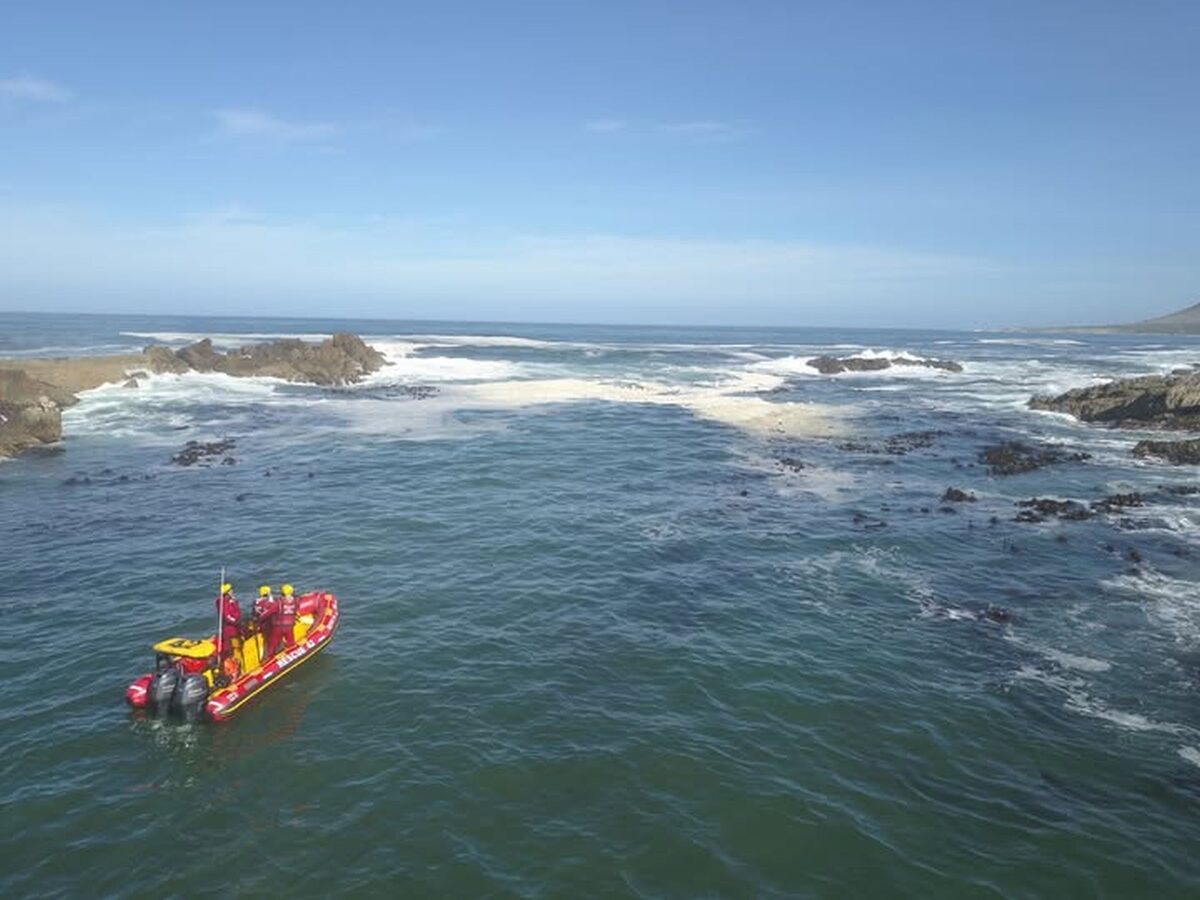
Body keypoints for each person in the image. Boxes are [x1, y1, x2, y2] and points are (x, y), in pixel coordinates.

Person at [216, 582, 242, 678]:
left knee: (231, 649)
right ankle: (233, 670)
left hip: (231, 628)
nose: (232, 591)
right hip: (231, 629)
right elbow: (227, 616)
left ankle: (233, 667)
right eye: (230, 590)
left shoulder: (224, 601)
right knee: (232, 649)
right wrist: (236, 621)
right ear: (227, 593)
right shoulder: (224, 602)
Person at [272, 583, 299, 654]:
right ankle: (292, 654)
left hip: (278, 625)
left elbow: (271, 611)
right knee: (291, 642)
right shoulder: (295, 601)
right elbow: (296, 610)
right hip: (290, 625)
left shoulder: (278, 601)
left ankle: (272, 658)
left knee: (274, 643)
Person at [254, 584, 278, 653]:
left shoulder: (256, 602)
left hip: (262, 625)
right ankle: (270, 654)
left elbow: (255, 613)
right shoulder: (269, 603)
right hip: (269, 624)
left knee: (266, 639)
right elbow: (274, 610)